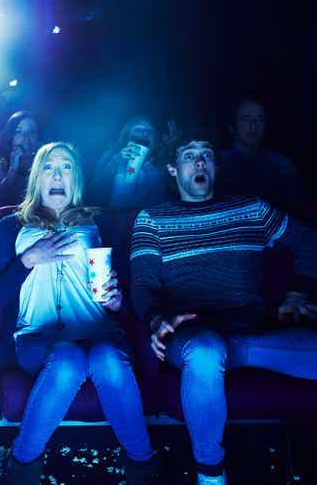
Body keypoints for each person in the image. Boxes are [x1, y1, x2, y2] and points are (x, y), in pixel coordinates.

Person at [130, 131, 317, 485]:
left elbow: (308, 241)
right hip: (190, 334)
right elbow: (142, 286)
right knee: (206, 350)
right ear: (173, 168)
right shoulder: (152, 219)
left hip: (253, 330)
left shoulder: (251, 209)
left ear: (215, 165)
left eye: (206, 154)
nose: (199, 162)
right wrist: (156, 320)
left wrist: (297, 294)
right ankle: (211, 475)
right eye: (189, 155)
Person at [0, 142, 161, 485]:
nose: (57, 175)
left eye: (66, 167)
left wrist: (116, 301)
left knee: (108, 358)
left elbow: (125, 290)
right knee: (67, 358)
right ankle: (21, 468)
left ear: (76, 178)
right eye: (49, 167)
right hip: (35, 336)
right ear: (37, 177)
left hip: (100, 331)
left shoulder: (100, 222)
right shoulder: (10, 224)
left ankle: (144, 469)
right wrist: (28, 260)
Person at [216, 99, 306, 212]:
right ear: (232, 126)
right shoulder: (217, 165)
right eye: (246, 118)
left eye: (260, 119)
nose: (253, 125)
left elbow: (298, 209)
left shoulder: (282, 166)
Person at [88, 115, 173, 211]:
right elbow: (94, 192)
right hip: (117, 219)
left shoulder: (161, 161)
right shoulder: (111, 155)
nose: (145, 133)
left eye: (150, 131)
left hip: (152, 221)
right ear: (126, 135)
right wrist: (115, 163)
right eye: (138, 130)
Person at [0, 111, 40, 227]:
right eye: (19, 132)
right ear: (10, 137)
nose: (26, 138)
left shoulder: (43, 168)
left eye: (32, 132)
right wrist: (12, 172)